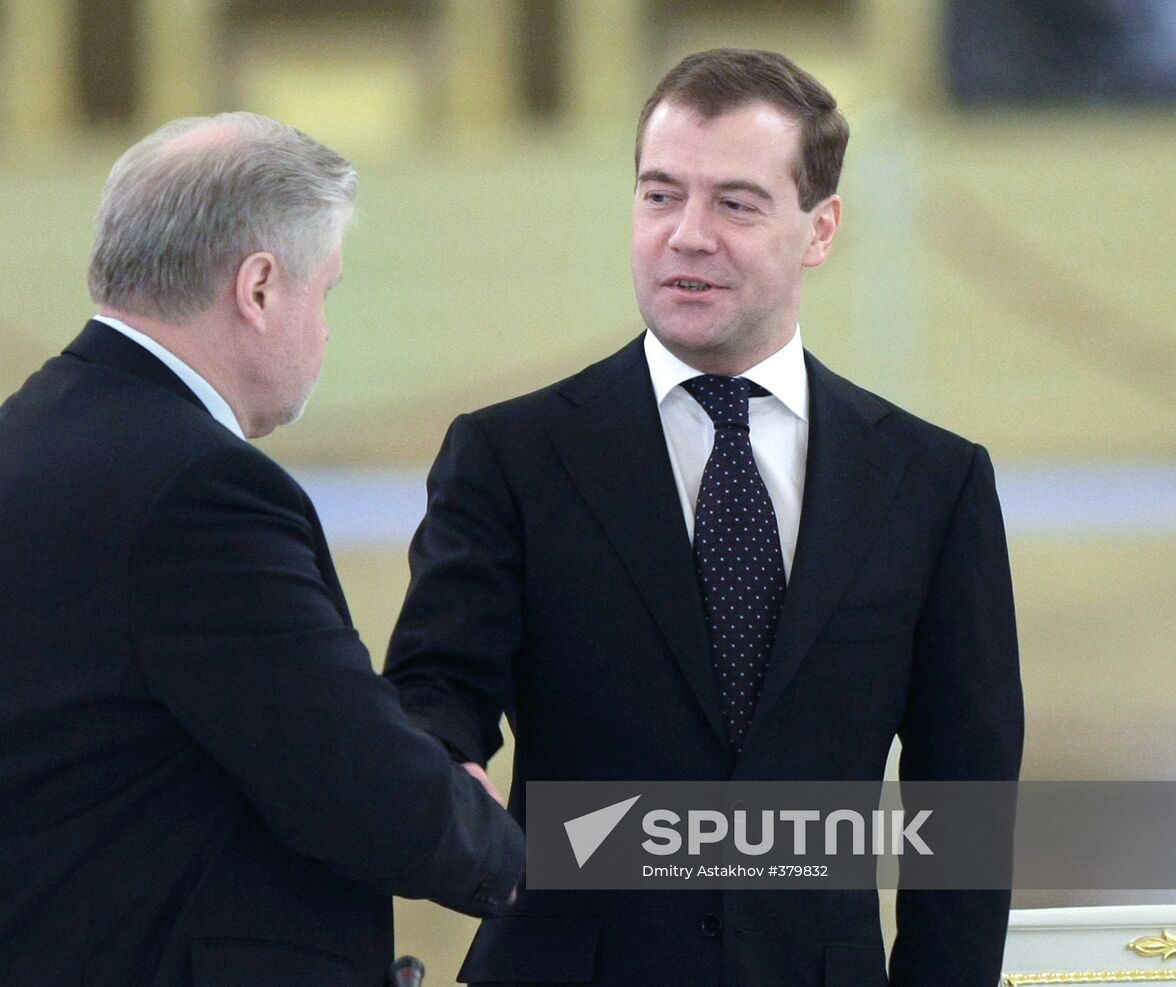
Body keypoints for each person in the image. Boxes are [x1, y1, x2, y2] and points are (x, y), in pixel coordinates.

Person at [384, 49, 1022, 986]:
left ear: (820, 228)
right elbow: (437, 686)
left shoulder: (933, 481)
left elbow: (964, 805)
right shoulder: (509, 457)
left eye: (735, 202)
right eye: (658, 195)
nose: (687, 235)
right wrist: (441, 766)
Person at [0, 112, 523, 986]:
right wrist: (531, 845)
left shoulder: (29, 436)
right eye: (327, 292)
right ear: (259, 288)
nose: (328, 330)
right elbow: (365, 792)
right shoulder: (194, 491)